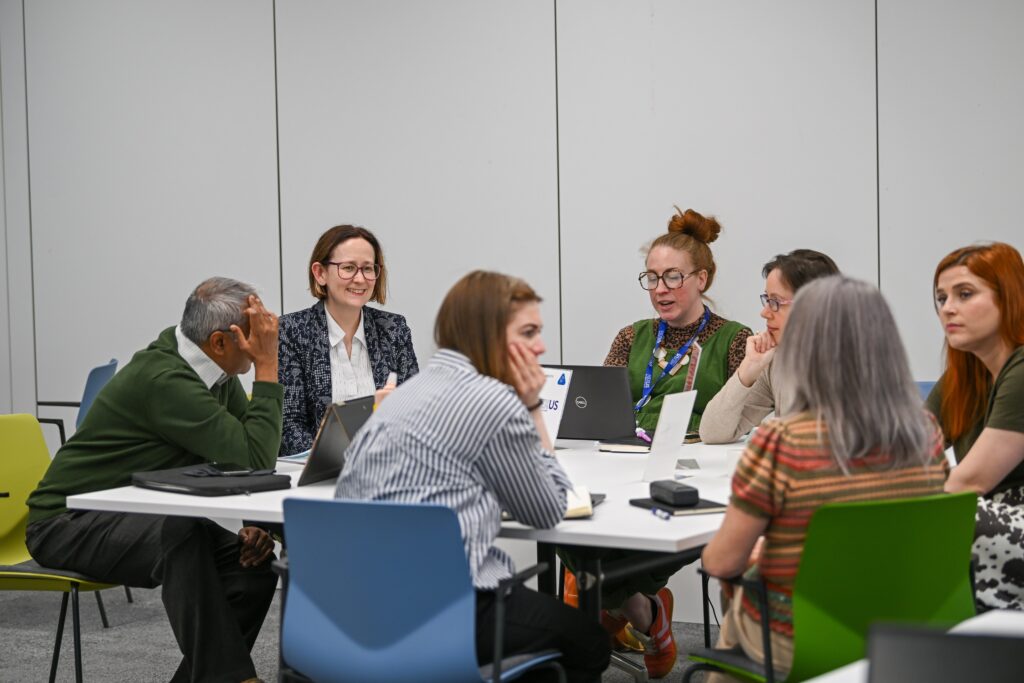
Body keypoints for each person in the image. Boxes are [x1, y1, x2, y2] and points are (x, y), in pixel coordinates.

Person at [335, 271, 610, 683]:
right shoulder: (494, 399)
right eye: (530, 332)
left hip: (352, 610)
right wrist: (533, 404)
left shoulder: (404, 394)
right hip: (441, 612)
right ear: (490, 334)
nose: (542, 347)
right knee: (590, 641)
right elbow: (548, 509)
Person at [26, 277, 282, 683]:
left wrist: (254, 524)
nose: (265, 340)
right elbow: (254, 455)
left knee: (253, 562)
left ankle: (217, 676)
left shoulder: (217, 373)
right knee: (181, 532)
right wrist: (268, 367)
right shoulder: (165, 380)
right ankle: (236, 679)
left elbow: (247, 459)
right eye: (256, 333)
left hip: (133, 515)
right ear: (219, 342)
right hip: (66, 522)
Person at [701, 276, 948, 680]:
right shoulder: (927, 432)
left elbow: (719, 561)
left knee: (739, 597)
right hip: (902, 626)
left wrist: (759, 555)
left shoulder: (782, 441)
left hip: (796, 638)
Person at [926, 242, 1024, 611]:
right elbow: (905, 454)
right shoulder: (964, 374)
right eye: (942, 298)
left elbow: (970, 482)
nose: (948, 308)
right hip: (986, 517)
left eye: (965, 294)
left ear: (1009, 297)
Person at [605, 206, 751, 434]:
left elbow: (743, 420)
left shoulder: (735, 340)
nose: (660, 289)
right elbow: (603, 409)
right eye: (652, 278)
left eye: (673, 277)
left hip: (703, 458)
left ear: (701, 279)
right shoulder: (631, 337)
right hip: (631, 453)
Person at [278, 224, 418, 456]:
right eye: (348, 268)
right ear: (320, 273)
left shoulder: (394, 329)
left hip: (387, 466)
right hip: (319, 476)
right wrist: (338, 459)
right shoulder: (291, 331)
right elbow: (289, 426)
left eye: (368, 269)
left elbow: (415, 413)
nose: (360, 279)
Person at [700, 249, 840, 444]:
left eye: (775, 302)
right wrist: (747, 371)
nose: (764, 313)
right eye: (766, 299)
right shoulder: (777, 360)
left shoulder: (854, 363)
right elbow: (713, 433)